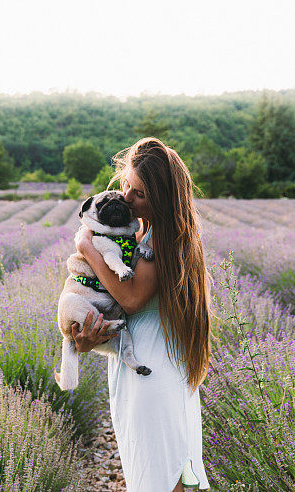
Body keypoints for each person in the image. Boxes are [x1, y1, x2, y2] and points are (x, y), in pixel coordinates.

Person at [72, 137, 212, 491]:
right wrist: (87, 339)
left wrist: (88, 249)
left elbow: (131, 301)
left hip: (153, 371)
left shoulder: (162, 240)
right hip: (143, 364)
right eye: (127, 187)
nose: (126, 199)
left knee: (165, 474)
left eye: (139, 194)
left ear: (161, 199)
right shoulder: (148, 235)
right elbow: (118, 308)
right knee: (168, 471)